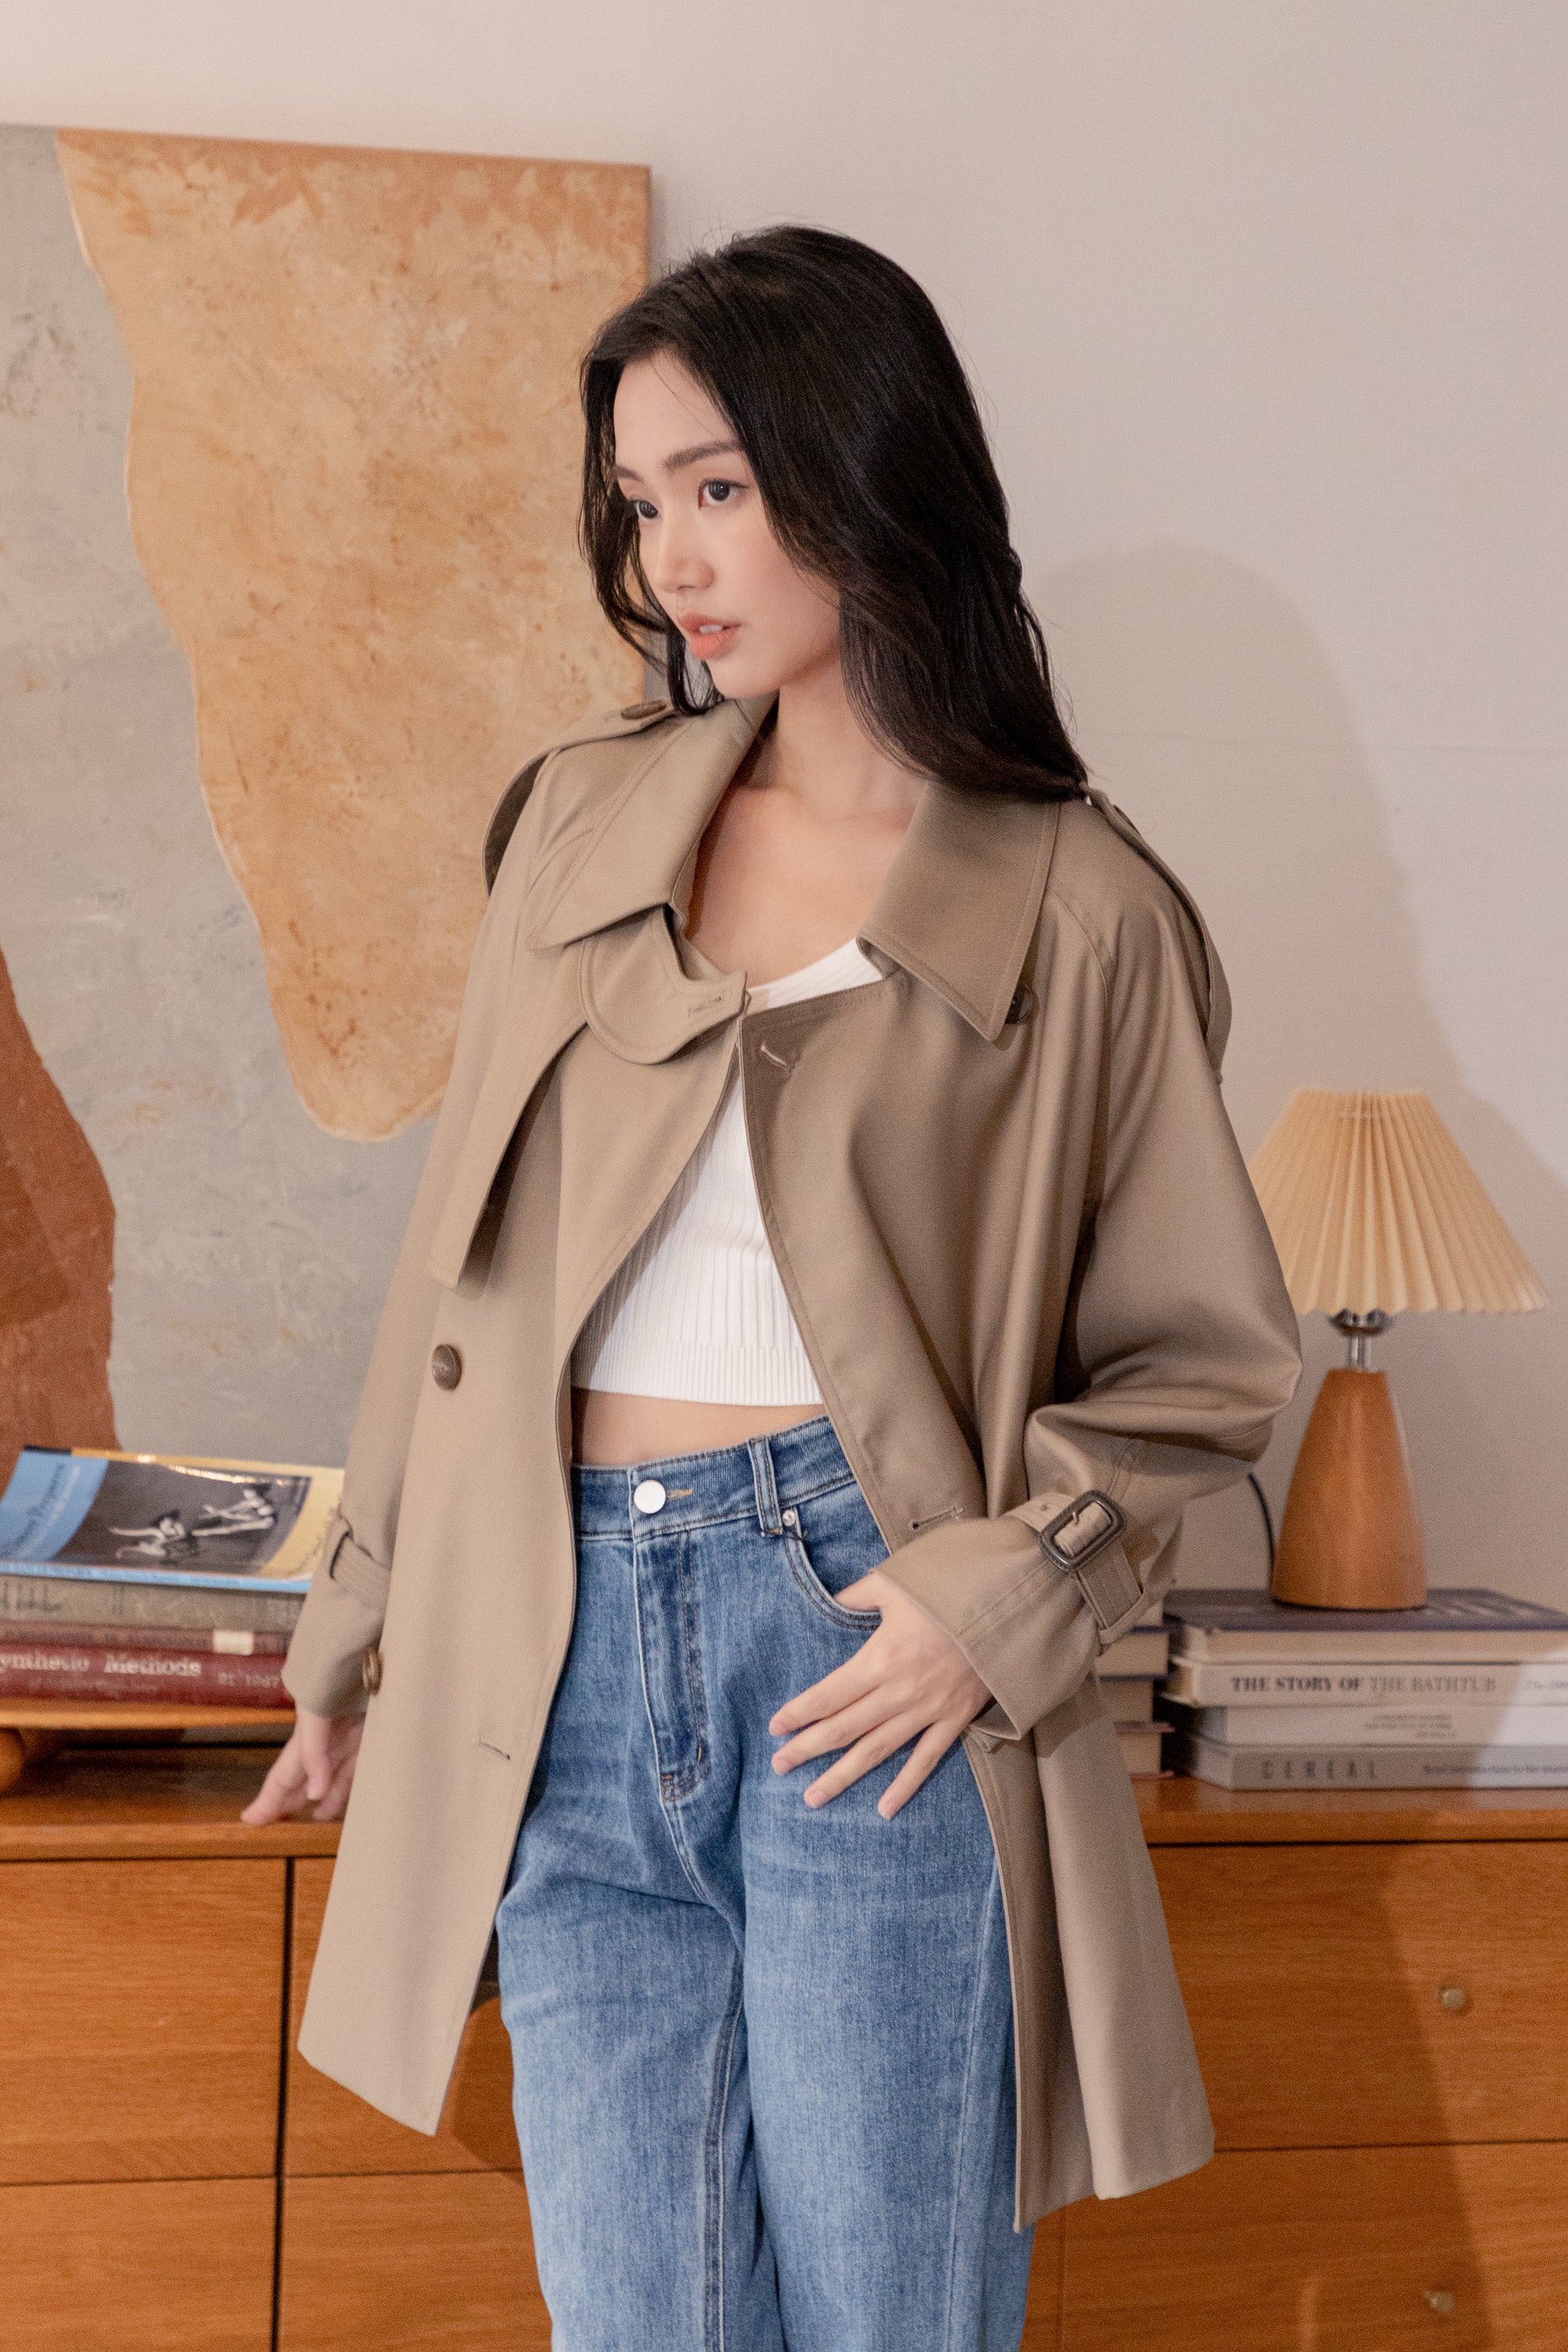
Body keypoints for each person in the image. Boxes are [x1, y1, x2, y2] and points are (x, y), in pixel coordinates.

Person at [244, 226, 1301, 2351]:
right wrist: (352, 1632)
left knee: (891, 2315)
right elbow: (464, 1269)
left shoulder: (1080, 908)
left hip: (860, 1652)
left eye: (718, 487)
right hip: (551, 1642)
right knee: (636, 2321)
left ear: (865, 471)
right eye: (642, 504)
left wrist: (986, 1602)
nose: (674, 561)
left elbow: (1204, 1361)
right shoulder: (575, 825)